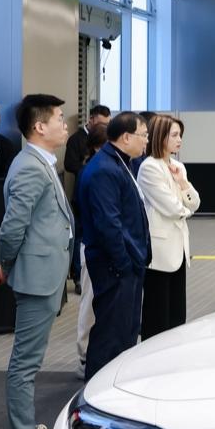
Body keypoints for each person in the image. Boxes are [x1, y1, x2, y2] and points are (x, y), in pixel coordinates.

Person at [0, 95, 73, 429]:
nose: (65, 124)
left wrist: (6, 264)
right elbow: (11, 228)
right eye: (59, 118)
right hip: (37, 278)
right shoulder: (31, 168)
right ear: (39, 127)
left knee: (28, 361)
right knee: (25, 363)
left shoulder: (39, 162)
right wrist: (7, 263)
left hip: (41, 272)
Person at [79, 111, 150, 379]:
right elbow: (109, 224)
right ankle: (98, 387)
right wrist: (124, 264)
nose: (146, 140)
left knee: (125, 332)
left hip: (126, 264)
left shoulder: (121, 162)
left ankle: (117, 383)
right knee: (111, 334)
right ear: (126, 137)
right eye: (143, 135)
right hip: (115, 267)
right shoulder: (105, 170)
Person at [138, 116, 200, 339]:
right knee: (157, 312)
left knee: (176, 311)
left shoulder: (177, 166)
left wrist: (182, 182)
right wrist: (186, 210)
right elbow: (172, 207)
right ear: (160, 136)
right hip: (159, 251)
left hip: (178, 248)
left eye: (180, 135)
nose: (179, 140)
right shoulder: (149, 167)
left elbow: (195, 202)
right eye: (174, 135)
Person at [73, 123, 107, 379]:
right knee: (89, 303)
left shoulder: (111, 167)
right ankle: (84, 356)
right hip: (93, 246)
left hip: (101, 248)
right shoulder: (91, 171)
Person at [64, 105, 110, 289]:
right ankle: (77, 275)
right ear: (91, 119)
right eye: (101, 122)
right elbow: (69, 164)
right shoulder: (76, 139)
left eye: (107, 123)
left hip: (94, 193)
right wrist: (86, 168)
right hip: (82, 191)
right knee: (80, 235)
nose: (103, 126)